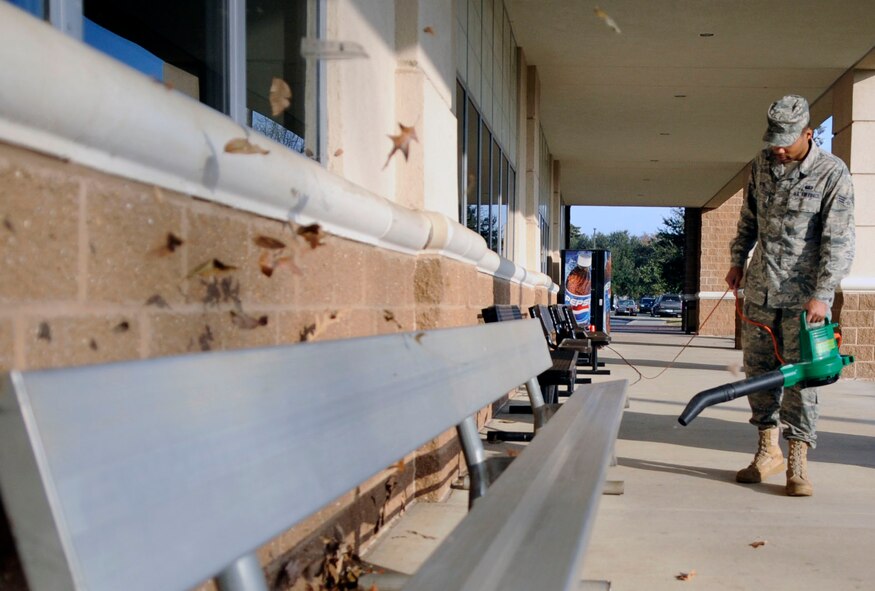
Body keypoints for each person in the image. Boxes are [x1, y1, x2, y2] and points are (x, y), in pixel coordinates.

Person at [725, 94, 855, 497]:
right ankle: (767, 450)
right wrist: (736, 259)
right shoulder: (761, 166)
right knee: (759, 374)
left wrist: (822, 293)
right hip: (762, 289)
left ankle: (797, 458)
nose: (778, 148)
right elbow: (749, 218)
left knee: (804, 379)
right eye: (773, 140)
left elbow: (840, 241)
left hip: (805, 302)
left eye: (785, 140)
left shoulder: (832, 174)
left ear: (808, 133)